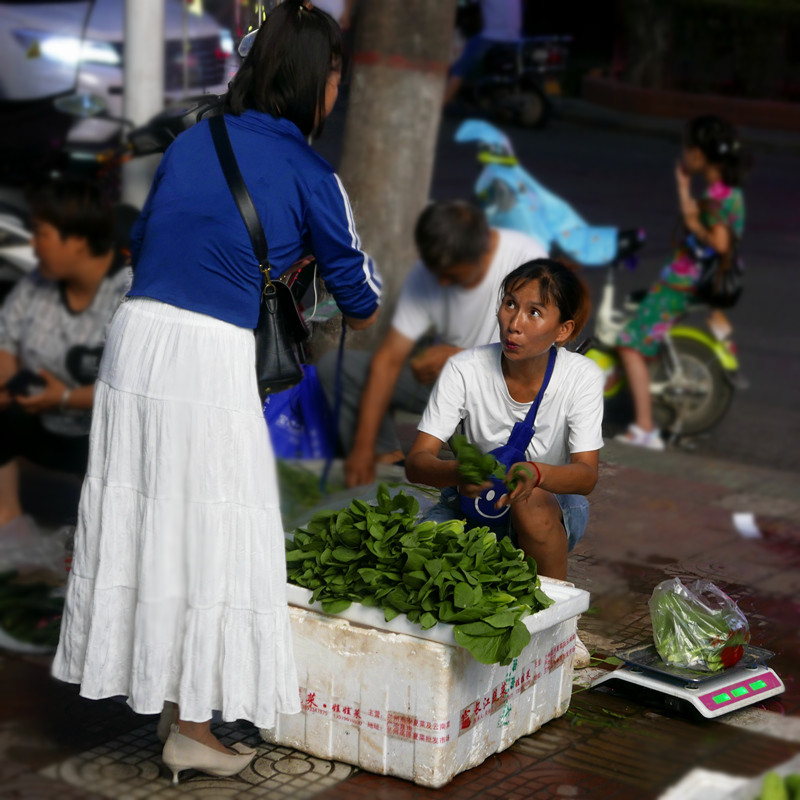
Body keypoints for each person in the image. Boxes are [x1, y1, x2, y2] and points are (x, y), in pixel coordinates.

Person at [52, 0, 381, 785]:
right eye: (335, 76)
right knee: (214, 537)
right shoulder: (312, 173)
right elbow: (360, 294)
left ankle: (176, 705)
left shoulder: (195, 137)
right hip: (209, 357)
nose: (337, 91)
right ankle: (193, 729)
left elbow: (156, 238)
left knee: (151, 520)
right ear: (314, 83)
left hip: (138, 343)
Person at [405, 258, 602, 667]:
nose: (515, 323)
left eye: (535, 313)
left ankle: (560, 626)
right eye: (510, 304)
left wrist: (538, 473)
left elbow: (585, 476)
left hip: (551, 512)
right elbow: (418, 462)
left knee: (530, 503)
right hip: (470, 506)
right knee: (418, 559)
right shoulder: (464, 369)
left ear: (563, 330)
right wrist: (459, 472)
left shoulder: (580, 377)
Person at [317, 200, 546, 488]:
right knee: (340, 369)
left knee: (500, 472)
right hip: (448, 387)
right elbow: (388, 360)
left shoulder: (527, 260)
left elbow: (536, 359)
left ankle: (467, 463)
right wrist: (362, 447)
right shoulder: (430, 272)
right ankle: (388, 463)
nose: (443, 284)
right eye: (438, 275)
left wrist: (458, 356)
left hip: (507, 396)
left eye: (454, 276)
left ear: (485, 251)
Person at [0, 177, 131, 549]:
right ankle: (8, 524)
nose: (33, 245)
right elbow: (5, 340)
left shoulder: (127, 294)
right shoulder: (37, 284)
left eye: (41, 234)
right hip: (41, 420)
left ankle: (104, 539)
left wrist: (63, 398)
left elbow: (131, 385)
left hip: (102, 435)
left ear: (76, 240)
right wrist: (8, 383)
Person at [615, 115, 747, 450]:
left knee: (630, 344)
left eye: (688, 148)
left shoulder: (719, 197)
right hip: (684, 281)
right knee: (636, 330)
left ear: (700, 155)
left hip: (680, 284)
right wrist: (683, 187)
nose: (684, 153)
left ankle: (644, 427)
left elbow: (719, 243)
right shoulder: (727, 193)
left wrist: (691, 220)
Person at [443, 0, 524, 106]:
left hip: (491, 38)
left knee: (460, 68)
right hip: (515, 40)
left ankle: (440, 103)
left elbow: (465, 3)